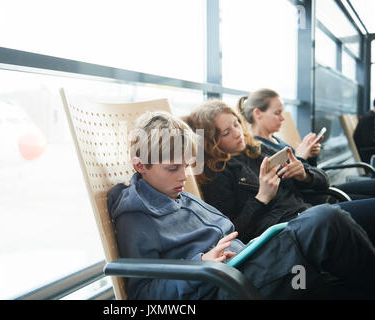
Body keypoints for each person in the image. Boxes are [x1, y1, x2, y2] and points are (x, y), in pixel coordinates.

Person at [107, 110, 375, 300]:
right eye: (172, 168)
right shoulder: (137, 217)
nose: (183, 177)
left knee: (331, 265)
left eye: (187, 166)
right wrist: (199, 265)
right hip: (229, 287)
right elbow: (142, 293)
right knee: (325, 222)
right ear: (140, 165)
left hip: (248, 265)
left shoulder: (172, 193)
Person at [187, 100, 375, 245]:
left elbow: (324, 182)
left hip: (307, 213)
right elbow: (234, 232)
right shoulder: (217, 175)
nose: (237, 133)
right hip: (288, 228)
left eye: (236, 124)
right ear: (212, 142)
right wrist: (261, 198)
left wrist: (303, 175)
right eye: (226, 132)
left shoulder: (257, 149)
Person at [236, 88, 375, 200]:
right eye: (277, 113)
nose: (283, 118)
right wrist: (301, 157)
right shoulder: (257, 150)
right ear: (258, 113)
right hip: (314, 199)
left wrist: (310, 156)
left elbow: (309, 173)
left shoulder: (276, 141)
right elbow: (288, 187)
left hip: (322, 190)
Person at [353, 99, 375, 164]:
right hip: (366, 152)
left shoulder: (370, 116)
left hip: (366, 150)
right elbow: (368, 140)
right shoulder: (370, 118)